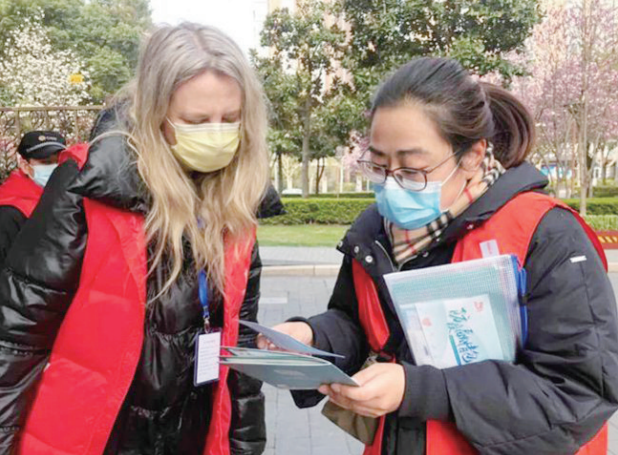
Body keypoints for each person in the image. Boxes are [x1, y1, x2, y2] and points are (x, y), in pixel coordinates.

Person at [262, 57, 618, 454]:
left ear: (472, 155)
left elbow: (579, 393)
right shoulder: (374, 231)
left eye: (413, 170)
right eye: (379, 165)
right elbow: (360, 324)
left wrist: (419, 389)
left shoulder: (546, 236)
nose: (392, 185)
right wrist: (314, 338)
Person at [0, 23, 281, 455]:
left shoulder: (237, 200)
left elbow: (239, 354)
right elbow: (17, 336)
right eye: (195, 120)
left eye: (231, 118)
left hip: (191, 432)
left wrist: (243, 447)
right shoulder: (88, 185)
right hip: (93, 436)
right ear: (155, 114)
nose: (217, 132)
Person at [0, 131, 66, 264]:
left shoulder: (65, 195)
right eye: (46, 162)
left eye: (59, 161)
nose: (54, 167)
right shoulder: (9, 212)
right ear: (25, 166)